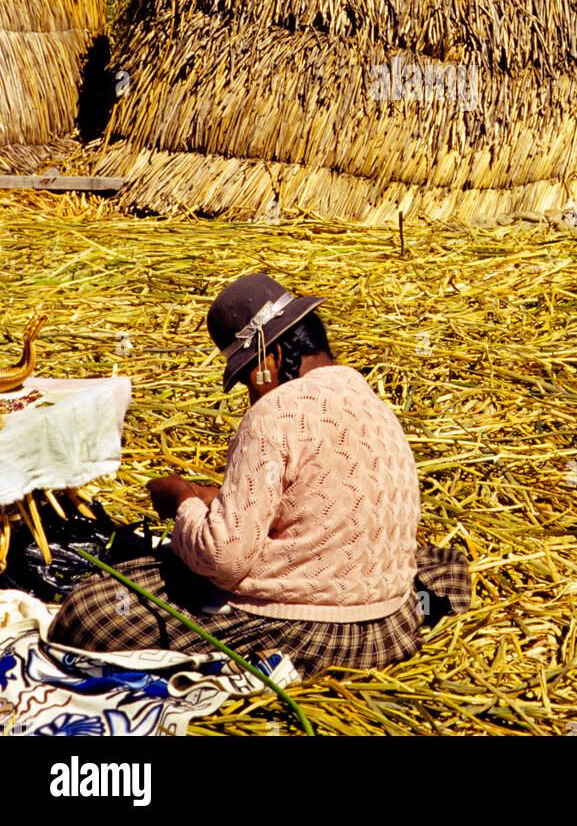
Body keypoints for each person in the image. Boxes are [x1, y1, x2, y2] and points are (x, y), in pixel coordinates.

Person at [49, 273, 470, 679]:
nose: (251, 393)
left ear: (271, 360)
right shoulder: (369, 399)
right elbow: (312, 497)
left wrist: (183, 500)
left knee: (90, 612)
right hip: (389, 626)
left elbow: (223, 558)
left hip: (320, 634)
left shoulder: (274, 412)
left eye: (249, 377)